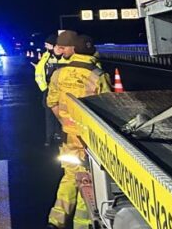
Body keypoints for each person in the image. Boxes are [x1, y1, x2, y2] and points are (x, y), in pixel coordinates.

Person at [46, 31, 110, 229]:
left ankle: (55, 221)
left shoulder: (59, 74)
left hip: (69, 136)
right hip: (90, 139)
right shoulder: (98, 75)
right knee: (88, 182)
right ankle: (82, 224)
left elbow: (52, 103)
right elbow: (109, 109)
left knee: (69, 177)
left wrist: (65, 123)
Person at [34, 33, 61, 146]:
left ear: (54, 45)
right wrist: (44, 88)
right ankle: (49, 137)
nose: (45, 46)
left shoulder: (61, 57)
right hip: (48, 89)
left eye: (47, 44)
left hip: (60, 90)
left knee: (59, 113)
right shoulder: (46, 55)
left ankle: (59, 134)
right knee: (49, 114)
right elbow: (41, 71)